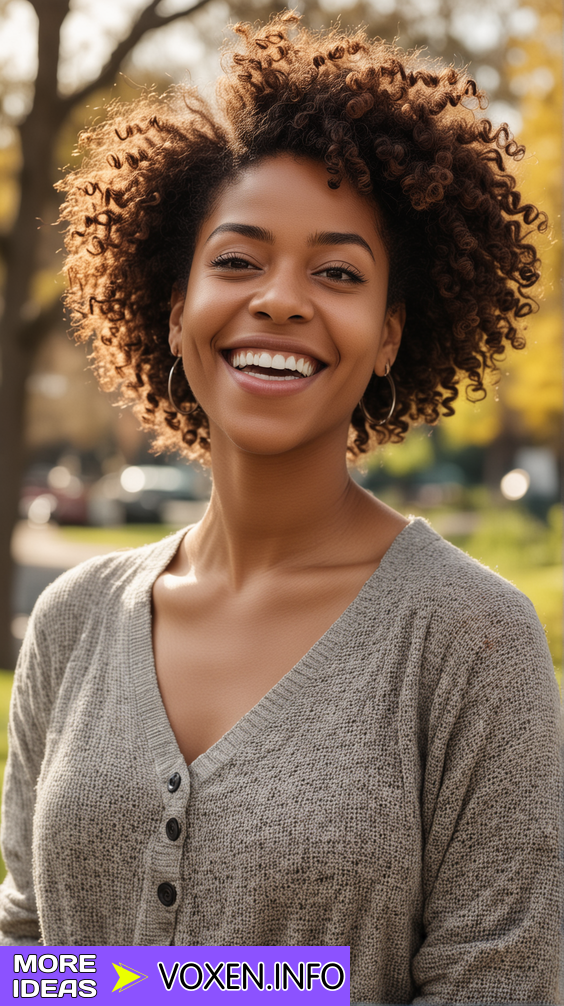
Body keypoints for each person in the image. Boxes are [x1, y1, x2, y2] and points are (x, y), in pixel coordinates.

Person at [0, 10, 561, 1003]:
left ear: (389, 335)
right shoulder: (73, 622)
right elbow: (29, 955)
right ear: (175, 311)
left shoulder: (471, 642)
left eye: (337, 273)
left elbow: (502, 981)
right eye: (237, 260)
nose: (281, 300)